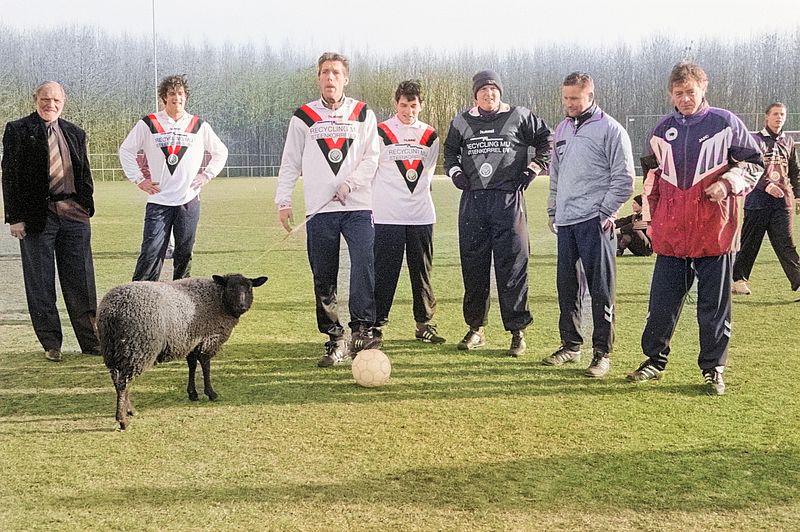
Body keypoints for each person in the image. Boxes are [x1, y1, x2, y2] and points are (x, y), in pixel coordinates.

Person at [627, 62, 763, 395]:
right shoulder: (661, 130)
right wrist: (650, 218)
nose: (685, 99)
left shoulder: (725, 122)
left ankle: (713, 368)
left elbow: (755, 164)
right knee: (661, 305)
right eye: (678, 93)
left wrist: (729, 183)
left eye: (690, 92)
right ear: (670, 94)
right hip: (671, 235)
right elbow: (651, 180)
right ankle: (654, 361)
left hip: (714, 234)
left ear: (703, 88)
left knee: (713, 308)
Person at [275, 52, 381, 367]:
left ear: (345, 78)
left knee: (363, 264)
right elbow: (290, 161)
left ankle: (362, 329)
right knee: (324, 276)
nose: (330, 78)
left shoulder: (363, 113)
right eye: (325, 72)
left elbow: (372, 157)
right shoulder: (304, 116)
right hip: (319, 211)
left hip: (357, 206)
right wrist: (283, 201)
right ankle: (334, 338)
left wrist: (351, 183)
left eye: (336, 72)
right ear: (318, 79)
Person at [443, 69, 551, 357]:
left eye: (494, 90)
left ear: (500, 92)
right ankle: (476, 328)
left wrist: (534, 168)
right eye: (483, 91)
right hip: (474, 203)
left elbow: (546, 140)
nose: (489, 95)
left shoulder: (519, 116)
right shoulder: (462, 120)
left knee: (513, 267)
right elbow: (450, 151)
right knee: (474, 267)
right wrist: (455, 173)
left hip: (508, 201)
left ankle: (517, 332)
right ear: (475, 94)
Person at [542, 71, 635, 378]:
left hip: (595, 223)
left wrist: (605, 211)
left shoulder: (611, 130)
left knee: (600, 289)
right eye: (565, 98)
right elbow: (555, 174)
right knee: (567, 288)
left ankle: (602, 353)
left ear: (590, 96)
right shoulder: (563, 129)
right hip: (566, 222)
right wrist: (554, 210)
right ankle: (570, 346)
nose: (568, 104)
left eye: (575, 98)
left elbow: (624, 179)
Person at [1, 81, 100, 361]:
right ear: (36, 99)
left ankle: (91, 341)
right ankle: (51, 343)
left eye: (56, 100)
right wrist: (15, 218)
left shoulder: (75, 133)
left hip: (74, 215)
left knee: (81, 280)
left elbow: (84, 173)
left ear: (63, 102)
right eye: (46, 99)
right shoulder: (18, 131)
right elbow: (9, 176)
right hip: (36, 217)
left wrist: (86, 208)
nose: (51, 104)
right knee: (40, 283)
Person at [119, 74, 228, 282]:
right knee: (151, 252)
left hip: (188, 200)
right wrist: (139, 179)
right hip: (159, 200)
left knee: (184, 253)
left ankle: (181, 299)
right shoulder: (149, 123)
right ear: (163, 97)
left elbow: (221, 152)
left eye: (180, 93)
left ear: (186, 97)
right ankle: (140, 297)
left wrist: (207, 175)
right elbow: (126, 150)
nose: (176, 97)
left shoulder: (198, 125)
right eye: (171, 93)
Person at [373, 80, 445, 344]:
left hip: (421, 216)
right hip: (386, 216)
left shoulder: (430, 135)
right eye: (404, 105)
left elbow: (426, 173)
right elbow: (372, 170)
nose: (408, 111)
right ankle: (376, 325)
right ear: (396, 104)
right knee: (384, 273)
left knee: (422, 273)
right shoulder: (380, 132)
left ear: (420, 105)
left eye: (413, 105)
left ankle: (424, 324)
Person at [732, 102, 800, 295]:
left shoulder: (788, 142)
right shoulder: (754, 140)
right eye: (775, 114)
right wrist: (767, 185)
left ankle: (798, 281)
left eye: (782, 115)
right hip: (758, 201)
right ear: (766, 117)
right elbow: (750, 168)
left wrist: (798, 195)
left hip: (782, 203)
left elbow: (794, 171)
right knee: (750, 243)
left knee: (786, 244)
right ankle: (738, 280)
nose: (779, 118)